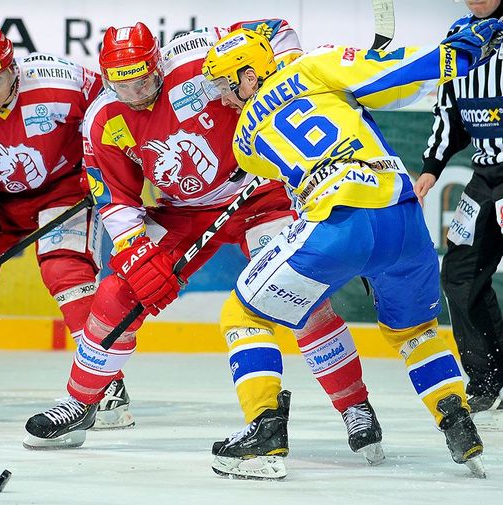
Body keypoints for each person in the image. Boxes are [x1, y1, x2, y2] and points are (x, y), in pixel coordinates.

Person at [22, 20, 385, 476]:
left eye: (141, 76)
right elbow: (114, 200)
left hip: (260, 195)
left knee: (302, 297)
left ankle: (356, 406)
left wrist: (286, 68)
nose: (133, 89)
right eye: (121, 80)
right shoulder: (103, 120)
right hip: (183, 210)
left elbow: (277, 31)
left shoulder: (197, 58)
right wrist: (136, 250)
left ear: (157, 62)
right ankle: (80, 402)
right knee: (118, 292)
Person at [200, 18, 503, 478]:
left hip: (339, 224)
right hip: (403, 220)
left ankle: (264, 432)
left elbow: (288, 144)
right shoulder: (315, 65)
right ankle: (456, 419)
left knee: (243, 315)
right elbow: (395, 79)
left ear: (248, 75)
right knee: (414, 332)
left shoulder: (243, 140)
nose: (222, 97)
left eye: (225, 84)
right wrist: (459, 51)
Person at [0, 28, 133, 431]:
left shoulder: (61, 80)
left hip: (62, 189)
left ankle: (108, 386)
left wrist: (102, 166)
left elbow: (111, 110)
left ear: (13, 68)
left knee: (65, 271)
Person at [415, 0, 503, 429]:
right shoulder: (458, 37)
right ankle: (490, 379)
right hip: (486, 177)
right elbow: (449, 113)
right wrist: (432, 167)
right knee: (461, 273)